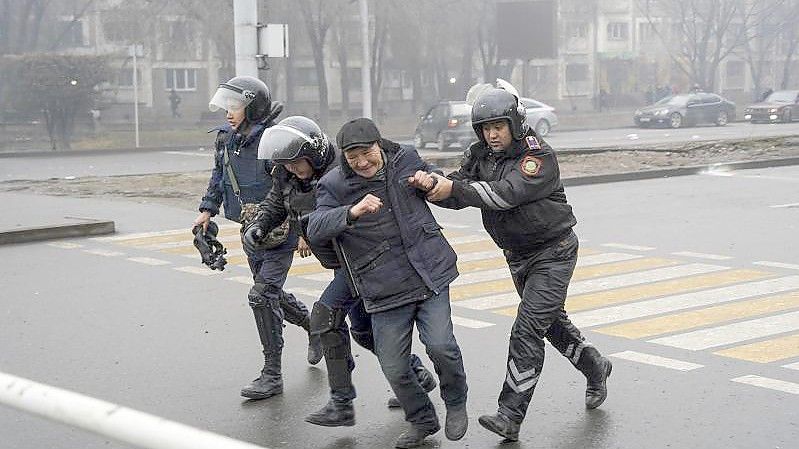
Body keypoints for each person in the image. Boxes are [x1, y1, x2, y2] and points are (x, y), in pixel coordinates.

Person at [409, 87, 612, 441]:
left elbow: (505, 194)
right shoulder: (479, 155)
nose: (492, 134)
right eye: (485, 128)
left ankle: (510, 415)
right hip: (517, 255)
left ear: (515, 124)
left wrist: (454, 189)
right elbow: (459, 190)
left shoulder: (538, 157)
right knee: (550, 325)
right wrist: (431, 186)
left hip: (554, 251)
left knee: (527, 329)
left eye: (498, 127)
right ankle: (595, 366)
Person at [242, 116, 436, 427]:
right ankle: (416, 374)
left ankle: (342, 404)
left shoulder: (341, 172)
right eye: (285, 164)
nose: (290, 168)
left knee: (324, 317)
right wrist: (259, 226)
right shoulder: (286, 174)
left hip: (365, 258)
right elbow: (276, 202)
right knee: (364, 332)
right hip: (340, 263)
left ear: (314, 152)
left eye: (295, 162)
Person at [306, 118, 469, 448]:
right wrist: (352, 211)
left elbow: (440, 184)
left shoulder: (405, 158)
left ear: (380, 145)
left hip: (428, 272)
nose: (362, 162)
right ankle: (422, 419)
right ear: (344, 157)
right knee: (394, 366)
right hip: (384, 286)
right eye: (353, 157)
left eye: (367, 153)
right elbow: (315, 227)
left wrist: (431, 180)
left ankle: (455, 403)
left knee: (441, 346)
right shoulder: (334, 185)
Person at [193, 76, 322, 401]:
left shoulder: (273, 140)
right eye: (227, 106)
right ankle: (313, 325)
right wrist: (207, 210)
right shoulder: (226, 139)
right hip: (250, 229)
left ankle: (271, 375)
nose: (228, 113)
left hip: (282, 230)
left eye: (234, 106)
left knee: (262, 295)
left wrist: (304, 231)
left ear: (253, 107)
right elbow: (219, 176)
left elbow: (296, 184)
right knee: (270, 294)